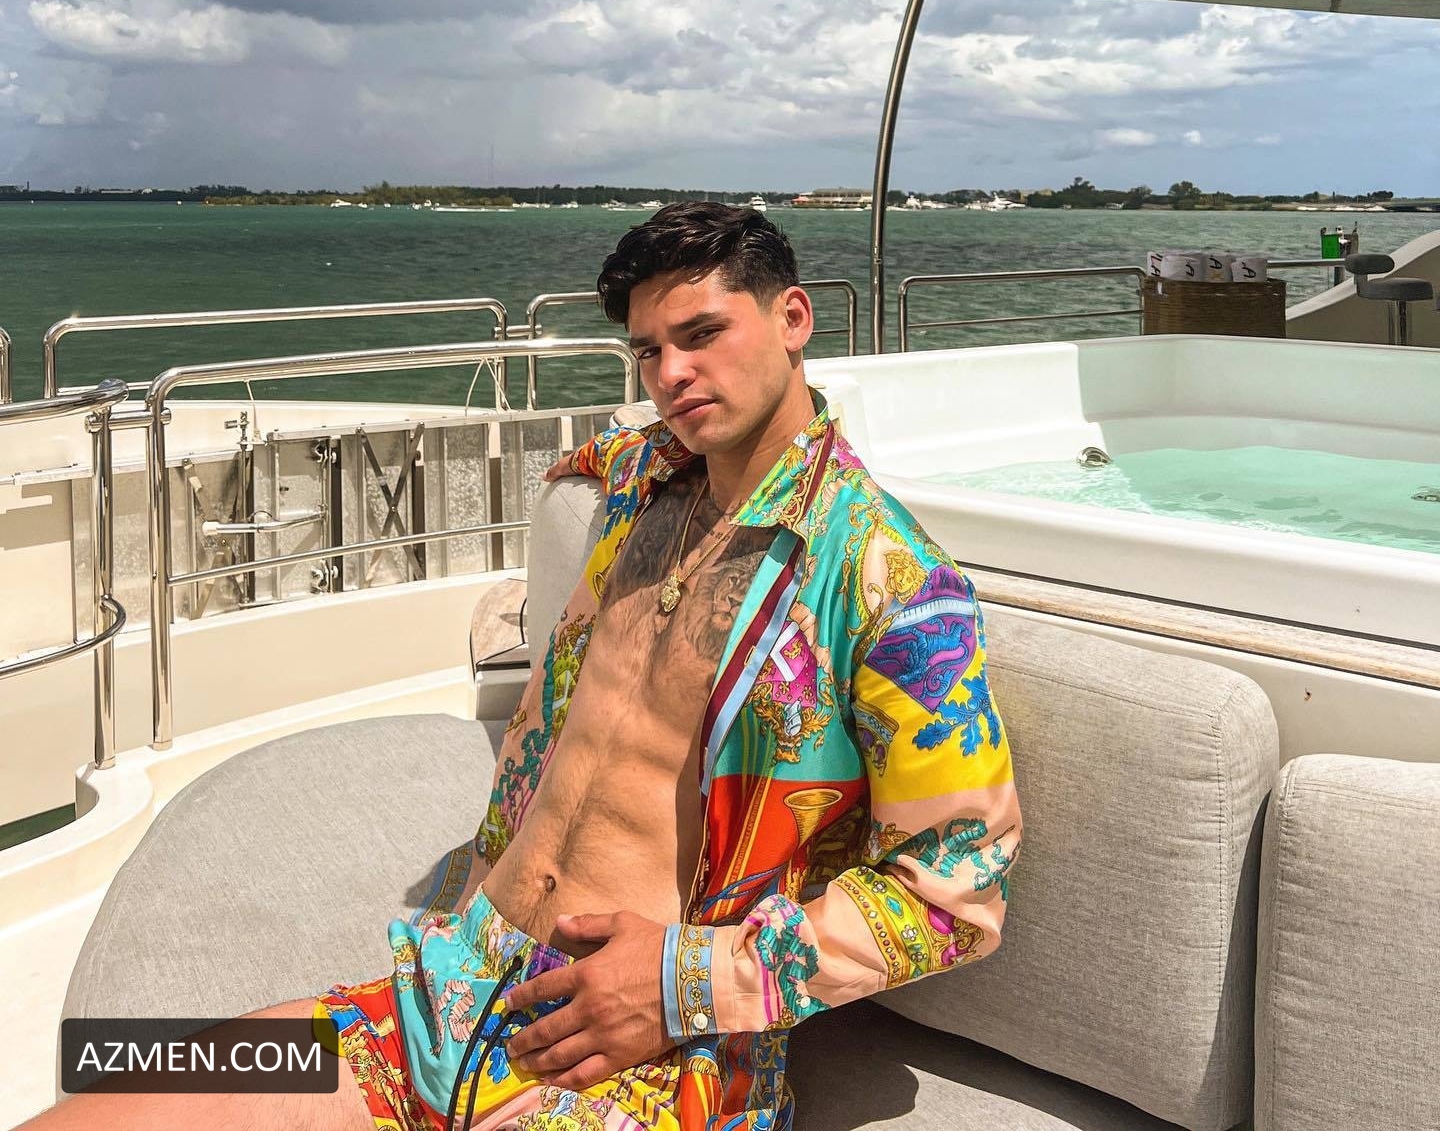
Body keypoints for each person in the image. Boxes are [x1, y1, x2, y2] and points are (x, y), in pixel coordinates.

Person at [35, 204, 1020, 1131]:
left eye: (703, 333)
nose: (673, 374)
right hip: (450, 991)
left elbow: (952, 898)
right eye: (648, 351)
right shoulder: (642, 481)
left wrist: (678, 982)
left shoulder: (890, 584)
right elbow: (598, 456)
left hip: (642, 1063)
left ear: (793, 318)